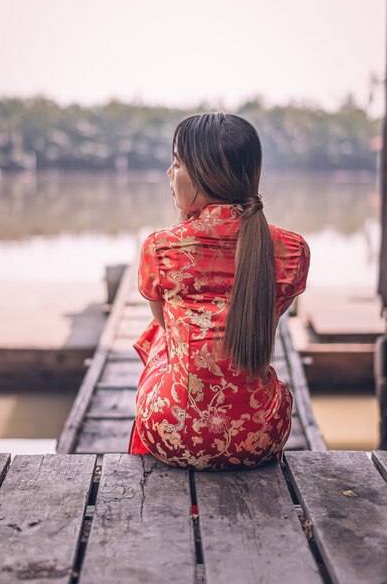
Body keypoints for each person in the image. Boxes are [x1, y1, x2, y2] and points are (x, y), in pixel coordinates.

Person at [127, 112, 310, 471]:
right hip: (261, 434)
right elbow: (272, 314)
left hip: (173, 435)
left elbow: (164, 322)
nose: (170, 173)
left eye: (177, 164)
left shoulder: (160, 247)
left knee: (159, 338)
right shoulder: (292, 249)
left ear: (204, 176)